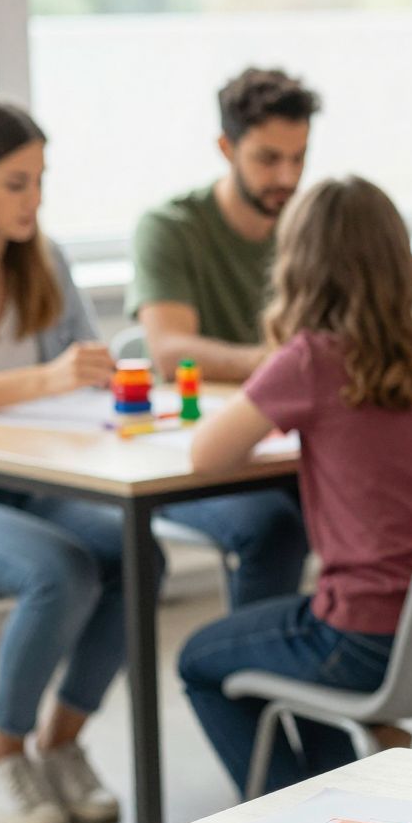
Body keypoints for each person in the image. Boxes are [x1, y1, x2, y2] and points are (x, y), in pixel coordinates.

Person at [179, 176, 412, 794]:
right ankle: (337, 788)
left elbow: (205, 454)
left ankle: (288, 816)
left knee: (199, 660)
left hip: (366, 638)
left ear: (300, 267)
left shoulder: (312, 360)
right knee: (295, 644)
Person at [0, 99, 154, 823]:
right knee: (62, 570)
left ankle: (62, 744)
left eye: (40, 181)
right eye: (16, 183)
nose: (34, 200)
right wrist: (51, 377)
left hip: (40, 481)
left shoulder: (45, 261)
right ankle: (1, 754)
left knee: (136, 554)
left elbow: (83, 365)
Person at [126, 67, 315, 608]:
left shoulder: (307, 225)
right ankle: (255, 680)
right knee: (275, 528)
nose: (286, 176)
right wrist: (287, 367)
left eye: (298, 158)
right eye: (268, 159)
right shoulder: (170, 227)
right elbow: (170, 352)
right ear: (225, 147)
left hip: (291, 441)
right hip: (196, 452)